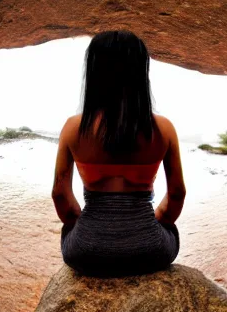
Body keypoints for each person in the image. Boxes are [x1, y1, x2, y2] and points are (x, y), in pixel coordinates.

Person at [51, 29, 186, 277]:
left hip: (86, 252)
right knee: (171, 232)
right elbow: (176, 194)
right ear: (140, 73)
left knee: (69, 233)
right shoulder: (164, 129)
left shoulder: (73, 128)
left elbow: (61, 196)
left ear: (94, 72)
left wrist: (88, 229)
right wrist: (153, 222)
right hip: (150, 251)